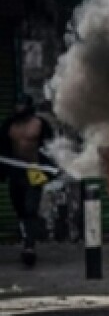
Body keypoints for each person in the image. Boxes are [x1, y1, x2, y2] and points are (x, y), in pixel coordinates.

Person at [0, 94, 55, 266]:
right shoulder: (9, 126)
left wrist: (52, 168)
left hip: (33, 171)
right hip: (15, 172)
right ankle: (26, 239)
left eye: (22, 105)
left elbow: (51, 147)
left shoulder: (39, 125)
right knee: (20, 210)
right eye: (17, 105)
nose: (19, 108)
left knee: (31, 208)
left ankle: (29, 247)